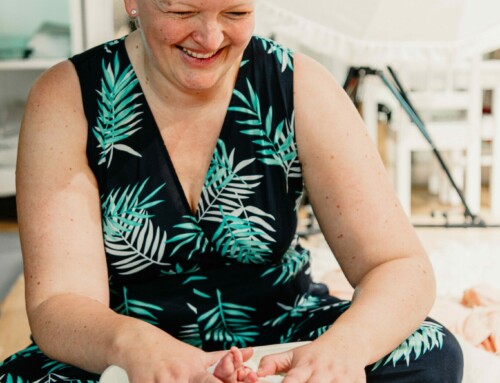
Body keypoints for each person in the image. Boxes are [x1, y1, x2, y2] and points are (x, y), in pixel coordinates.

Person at [0, 0, 463, 382]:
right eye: (181, 12)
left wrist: (341, 351)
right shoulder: (68, 96)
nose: (210, 37)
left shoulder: (300, 85)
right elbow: (57, 304)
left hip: (282, 343)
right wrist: (135, 347)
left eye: (235, 13)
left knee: (432, 350)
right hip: (131, 355)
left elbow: (399, 264)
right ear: (132, 2)